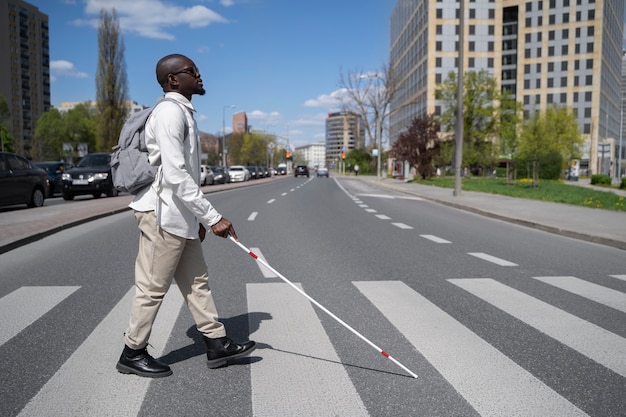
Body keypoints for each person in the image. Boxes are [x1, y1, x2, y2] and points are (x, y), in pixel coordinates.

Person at [116, 54, 256, 378]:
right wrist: (211, 217)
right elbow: (177, 174)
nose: (200, 75)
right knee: (153, 287)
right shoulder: (169, 113)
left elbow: (182, 175)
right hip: (162, 215)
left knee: (197, 283)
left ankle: (216, 343)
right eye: (193, 71)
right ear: (174, 80)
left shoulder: (182, 113)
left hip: (179, 217)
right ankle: (132, 352)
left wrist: (196, 219)